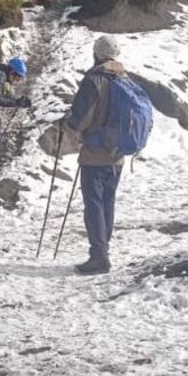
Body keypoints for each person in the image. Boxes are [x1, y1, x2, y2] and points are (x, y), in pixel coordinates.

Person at [64, 35, 128, 276]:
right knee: (107, 202)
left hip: (95, 153)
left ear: (97, 53)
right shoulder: (124, 78)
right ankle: (103, 250)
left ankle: (99, 256)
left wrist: (69, 123)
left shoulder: (95, 79)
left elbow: (80, 118)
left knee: (93, 204)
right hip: (118, 154)